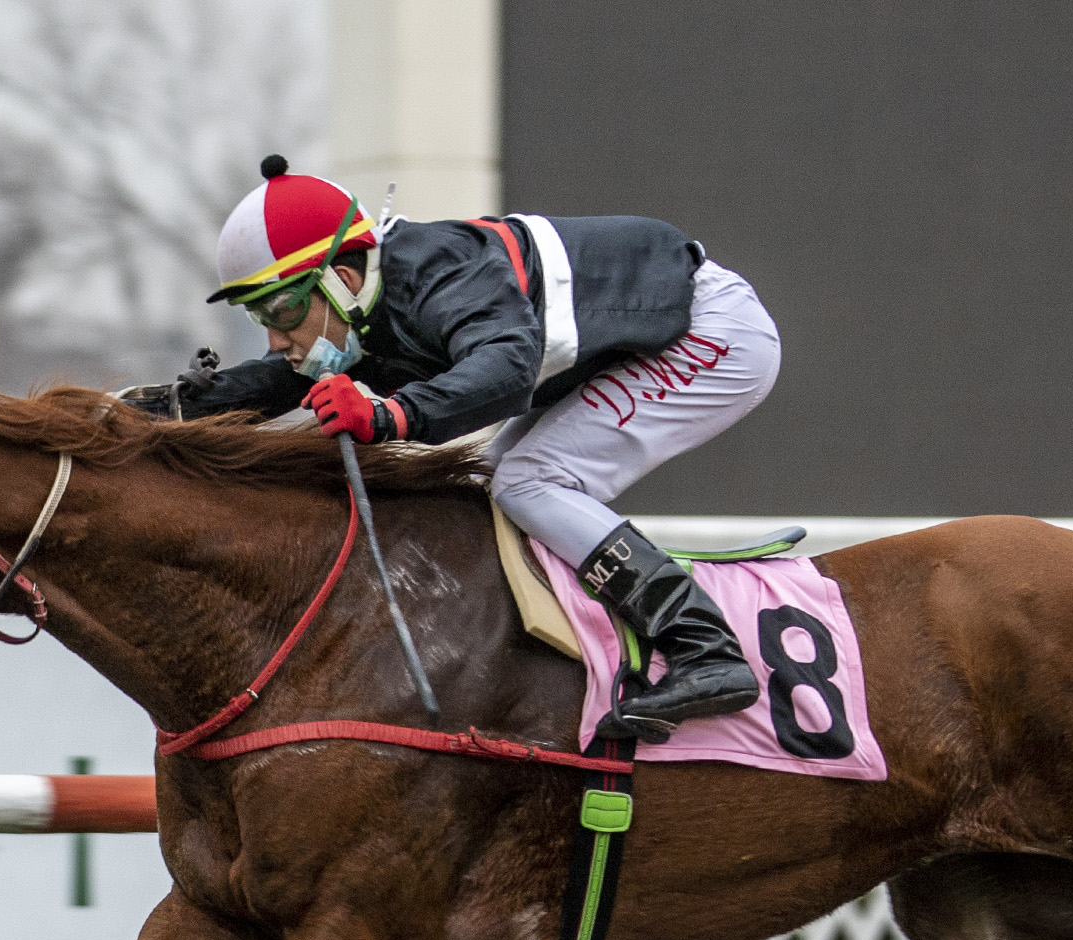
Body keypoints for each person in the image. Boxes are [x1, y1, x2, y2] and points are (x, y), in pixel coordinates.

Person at [125, 156, 780, 741]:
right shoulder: (366, 305)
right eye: (258, 317)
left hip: (708, 332)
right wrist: (136, 413)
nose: (275, 339)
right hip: (633, 345)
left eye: (281, 312)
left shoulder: (444, 274)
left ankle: (704, 647)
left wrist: (388, 416)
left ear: (342, 278)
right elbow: (276, 382)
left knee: (529, 482)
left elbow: (504, 367)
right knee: (488, 483)